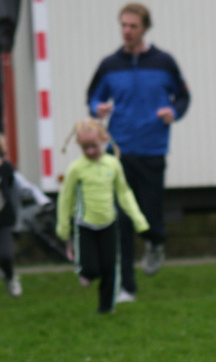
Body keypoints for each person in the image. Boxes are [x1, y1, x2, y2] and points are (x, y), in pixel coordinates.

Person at [86, 2, 190, 302]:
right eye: (123, 25)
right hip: (118, 151)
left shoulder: (164, 62)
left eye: (133, 26)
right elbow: (93, 97)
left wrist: (173, 112)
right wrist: (98, 108)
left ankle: (156, 242)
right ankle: (126, 286)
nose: (127, 31)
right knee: (121, 219)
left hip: (152, 149)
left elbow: (183, 97)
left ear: (145, 28)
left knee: (149, 215)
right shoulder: (109, 65)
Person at [56, 119, 149, 314]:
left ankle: (106, 308)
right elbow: (66, 198)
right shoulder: (76, 168)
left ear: (104, 141)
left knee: (110, 268)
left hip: (108, 223)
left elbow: (124, 193)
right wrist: (64, 226)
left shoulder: (113, 164)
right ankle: (85, 272)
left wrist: (138, 219)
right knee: (91, 269)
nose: (90, 151)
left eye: (94, 146)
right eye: (85, 148)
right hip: (85, 225)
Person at [0, 134, 19, 297]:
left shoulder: (6, 167)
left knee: (5, 255)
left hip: (4, 218)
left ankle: (10, 277)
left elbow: (11, 186)